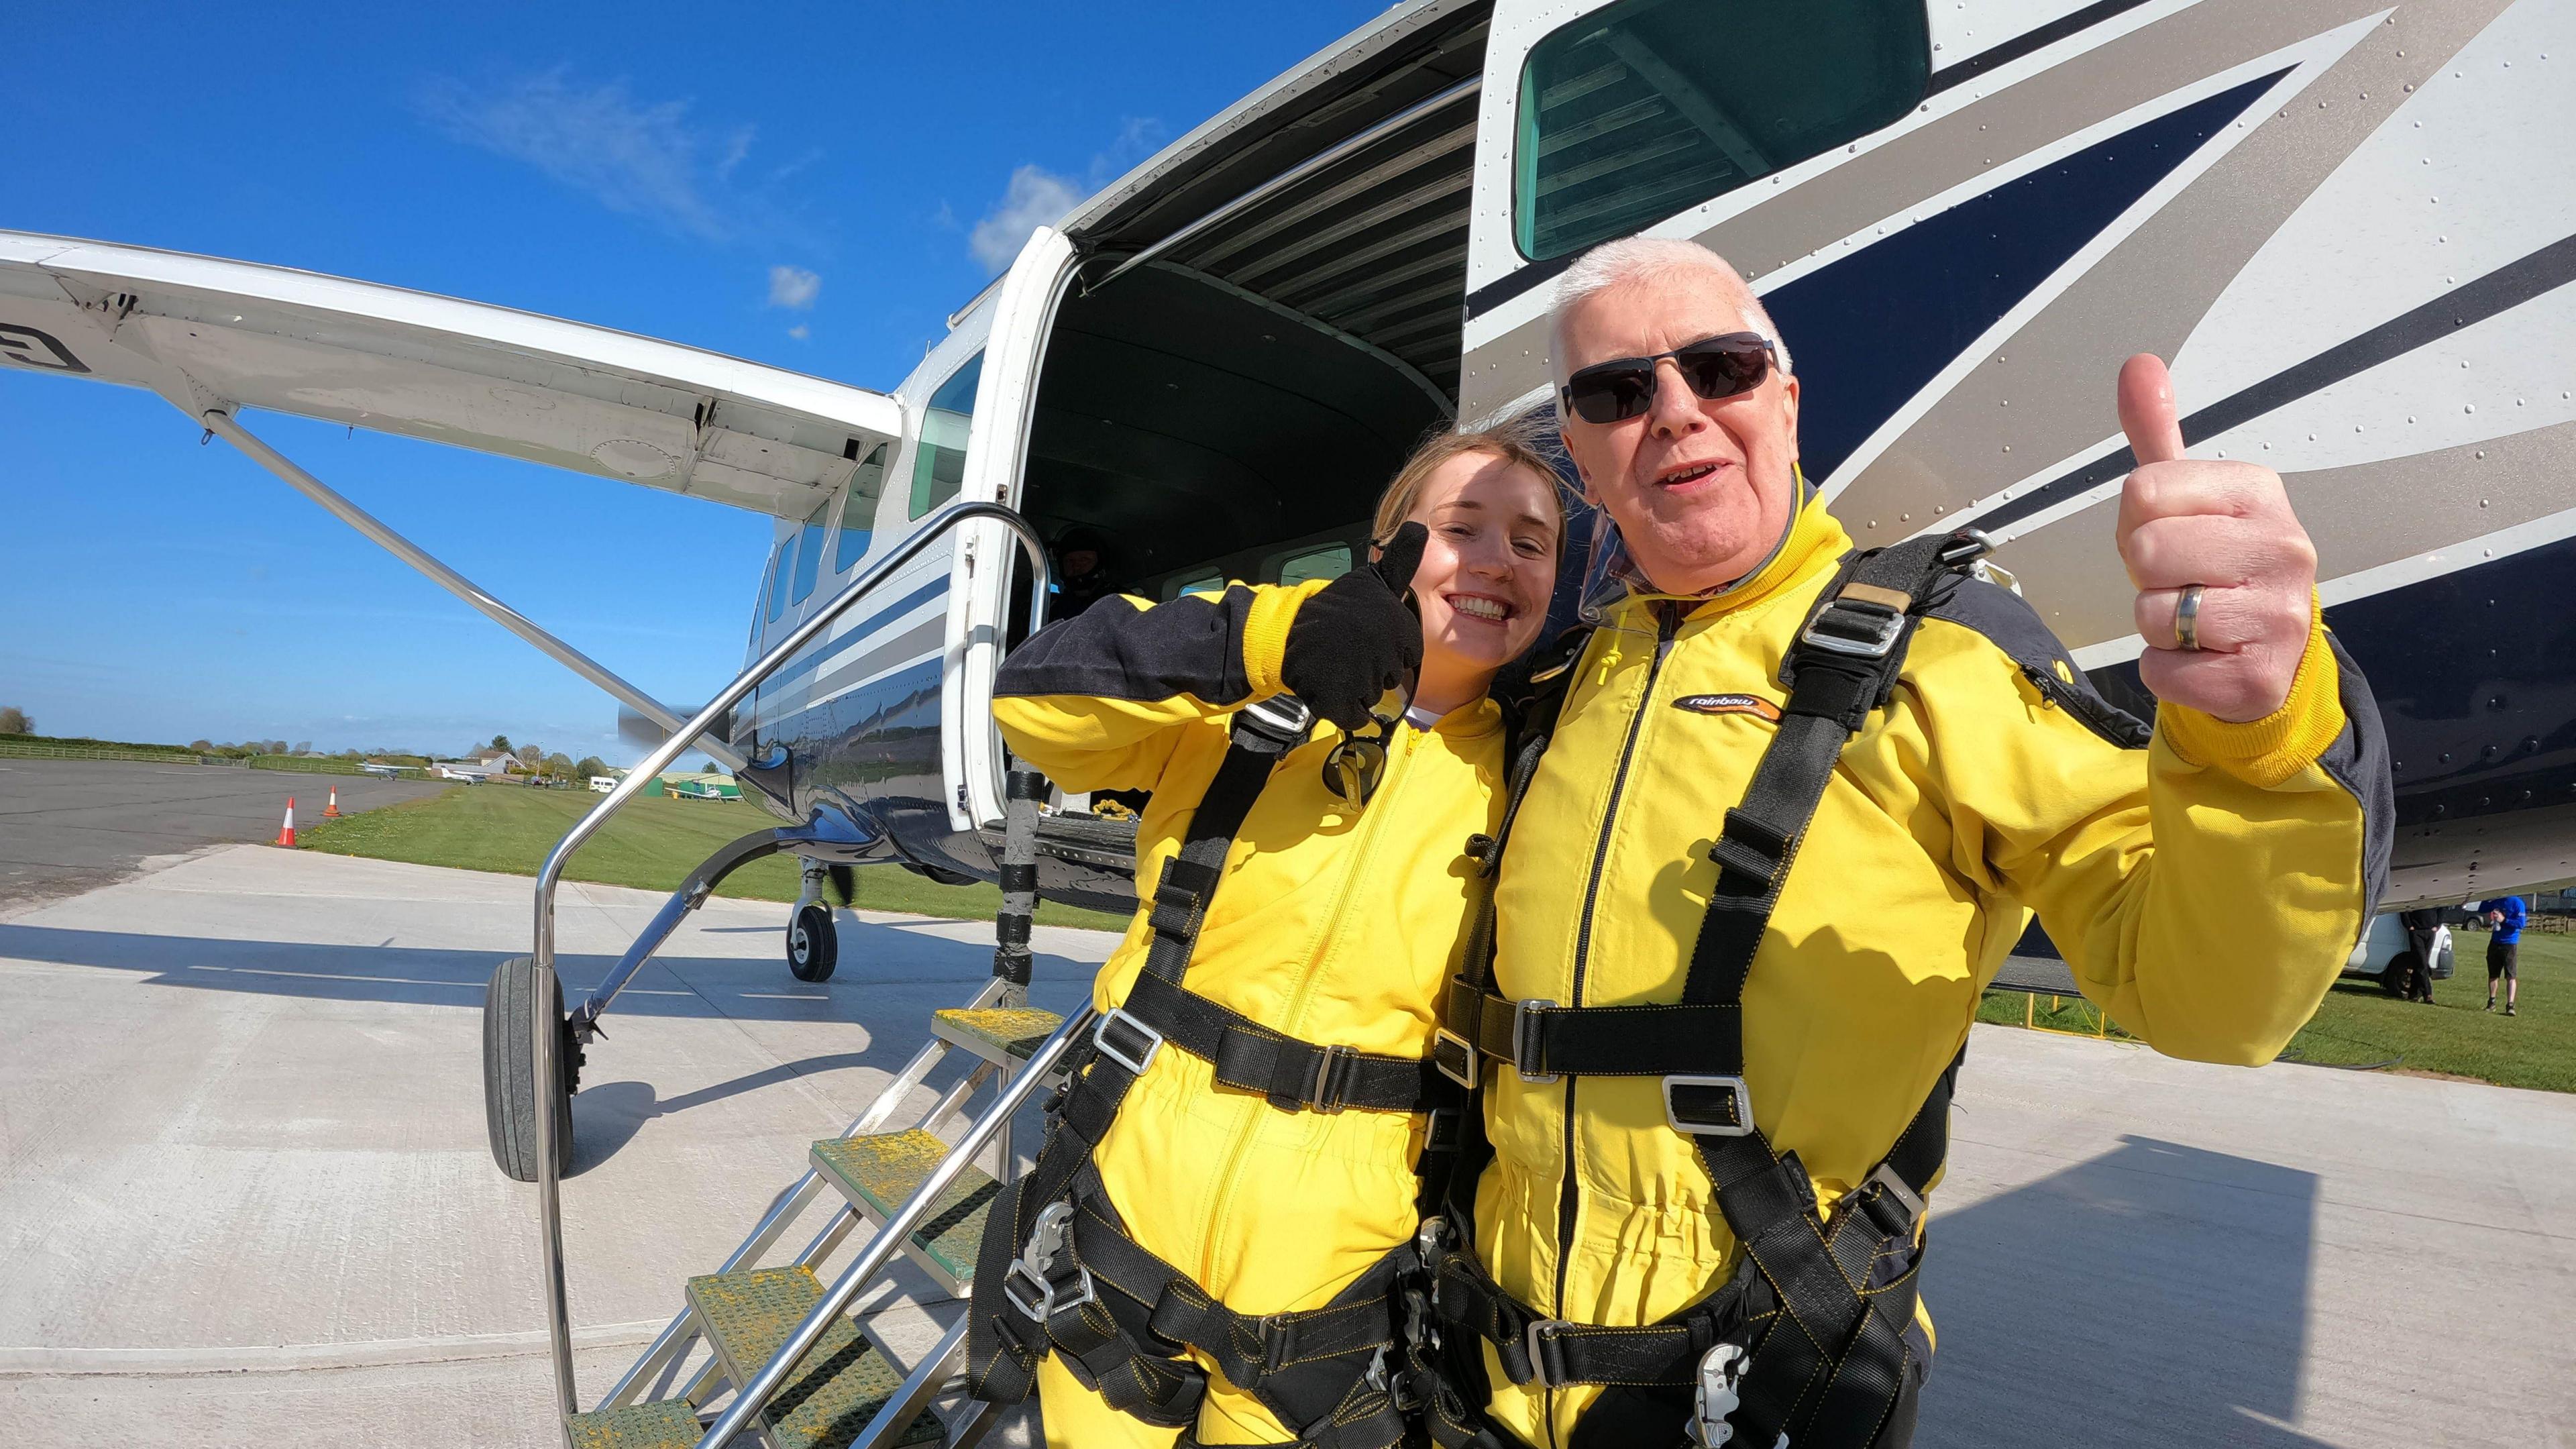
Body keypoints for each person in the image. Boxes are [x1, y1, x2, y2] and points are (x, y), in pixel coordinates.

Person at [1415, 239, 2393, 1449]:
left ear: (1785, 399)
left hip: (1760, 1382)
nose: (1673, 412)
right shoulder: (1558, 687)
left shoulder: (1938, 654)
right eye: (1617, 393)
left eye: (1718, 368)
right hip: (1483, 1383)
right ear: (1584, 452)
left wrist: (2261, 739)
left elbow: (2212, 1006)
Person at [967, 423, 1566, 1448]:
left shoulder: (1541, 775)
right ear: (1390, 554)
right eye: (1462, 528)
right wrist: (1267, 641)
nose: (1497, 561)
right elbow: (1030, 703)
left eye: (1533, 541)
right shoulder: (1239, 710)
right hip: (1123, 1213)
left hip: (1334, 1268)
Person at [2477, 895, 2528, 1014]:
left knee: (2511, 976)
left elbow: (2521, 924)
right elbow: (2482, 908)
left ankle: (2510, 1005)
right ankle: (2492, 1002)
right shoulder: (2497, 900)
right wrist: (2487, 896)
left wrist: (2504, 920)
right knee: (2493, 975)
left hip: (2510, 943)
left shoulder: (2517, 903)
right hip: (2495, 942)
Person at [2399, 907, 2443, 1004]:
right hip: (2416, 932)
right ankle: (2428, 995)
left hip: (2430, 931)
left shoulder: (2435, 895)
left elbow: (2441, 908)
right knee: (2423, 963)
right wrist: (2409, 926)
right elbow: (2405, 908)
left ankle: (2413, 994)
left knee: (2419, 963)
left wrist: (2437, 925)